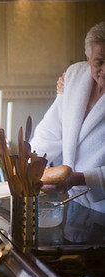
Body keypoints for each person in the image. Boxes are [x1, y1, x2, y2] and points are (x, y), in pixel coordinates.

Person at [31, 21, 105, 213]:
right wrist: (31, 166)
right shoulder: (74, 76)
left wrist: (80, 178)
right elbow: (50, 130)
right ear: (88, 58)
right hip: (73, 200)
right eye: (99, 62)